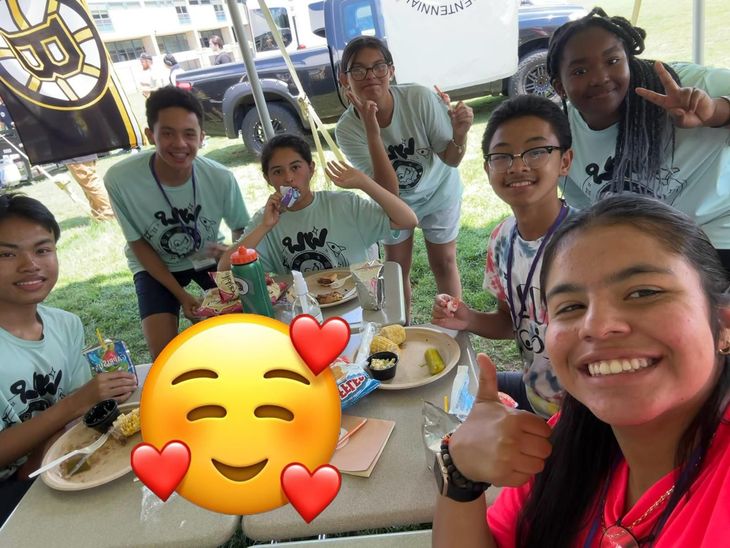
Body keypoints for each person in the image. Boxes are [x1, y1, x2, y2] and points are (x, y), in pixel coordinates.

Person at [432, 195, 730, 547]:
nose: (597, 326)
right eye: (570, 306)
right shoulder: (565, 441)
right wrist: (461, 476)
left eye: (643, 292)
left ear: (723, 321)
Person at [546, 7, 730, 275]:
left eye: (612, 61)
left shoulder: (683, 84)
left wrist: (715, 112)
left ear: (628, 60)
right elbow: (588, 211)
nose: (600, 78)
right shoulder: (563, 134)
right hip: (648, 254)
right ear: (559, 86)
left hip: (719, 238)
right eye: (580, 71)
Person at [432, 95, 575, 418]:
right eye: (502, 156)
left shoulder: (588, 242)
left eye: (537, 151)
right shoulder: (502, 238)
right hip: (536, 396)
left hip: (587, 415)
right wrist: (467, 318)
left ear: (564, 161)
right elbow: (511, 321)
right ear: (486, 168)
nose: (518, 166)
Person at [0, 194, 137, 526]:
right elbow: (75, 404)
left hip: (56, 457)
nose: (30, 264)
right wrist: (77, 403)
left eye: (43, 250)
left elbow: (81, 413)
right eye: (6, 254)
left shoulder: (64, 324)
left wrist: (106, 394)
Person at [104, 87, 250, 360]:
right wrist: (181, 295)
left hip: (206, 256)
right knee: (163, 354)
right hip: (154, 263)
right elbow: (138, 244)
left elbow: (241, 228)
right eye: (168, 133)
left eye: (189, 134)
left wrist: (229, 255)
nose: (180, 144)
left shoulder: (220, 177)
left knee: (241, 330)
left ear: (202, 137)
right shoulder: (119, 179)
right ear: (151, 135)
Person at [335, 36, 473, 320]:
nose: (370, 76)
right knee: (397, 270)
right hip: (393, 205)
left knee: (445, 263)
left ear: (391, 70)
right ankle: (403, 330)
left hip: (438, 192)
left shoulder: (419, 99)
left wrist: (459, 133)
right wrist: (373, 132)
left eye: (379, 67)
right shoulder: (348, 129)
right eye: (358, 70)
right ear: (344, 78)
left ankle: (454, 328)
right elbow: (389, 191)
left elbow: (451, 159)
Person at [218, 134, 417, 274]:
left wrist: (364, 182)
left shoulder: (343, 204)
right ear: (268, 179)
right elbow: (224, 268)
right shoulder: (266, 219)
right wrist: (265, 227)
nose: (288, 178)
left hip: (356, 301)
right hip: (304, 311)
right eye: (277, 172)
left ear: (311, 168)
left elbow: (407, 220)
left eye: (295, 167)